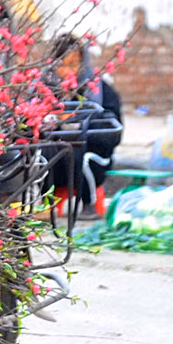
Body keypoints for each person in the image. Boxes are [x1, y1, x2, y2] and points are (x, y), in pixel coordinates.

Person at [42, 34, 123, 213]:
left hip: (89, 157)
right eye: (61, 65)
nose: (67, 72)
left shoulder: (99, 90)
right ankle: (44, 203)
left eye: (73, 65)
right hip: (56, 161)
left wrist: (82, 127)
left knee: (79, 152)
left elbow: (113, 132)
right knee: (38, 152)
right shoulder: (43, 89)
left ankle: (89, 203)